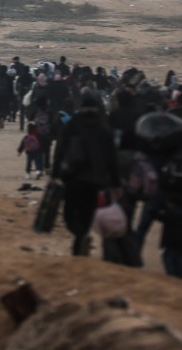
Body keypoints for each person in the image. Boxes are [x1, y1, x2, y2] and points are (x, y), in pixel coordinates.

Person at [52, 93, 121, 256]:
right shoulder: (104, 128)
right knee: (87, 214)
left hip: (72, 178)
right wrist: (116, 183)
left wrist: (55, 173)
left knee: (69, 215)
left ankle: (79, 237)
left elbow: (60, 150)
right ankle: (80, 244)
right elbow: (112, 157)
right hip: (96, 180)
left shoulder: (73, 125)